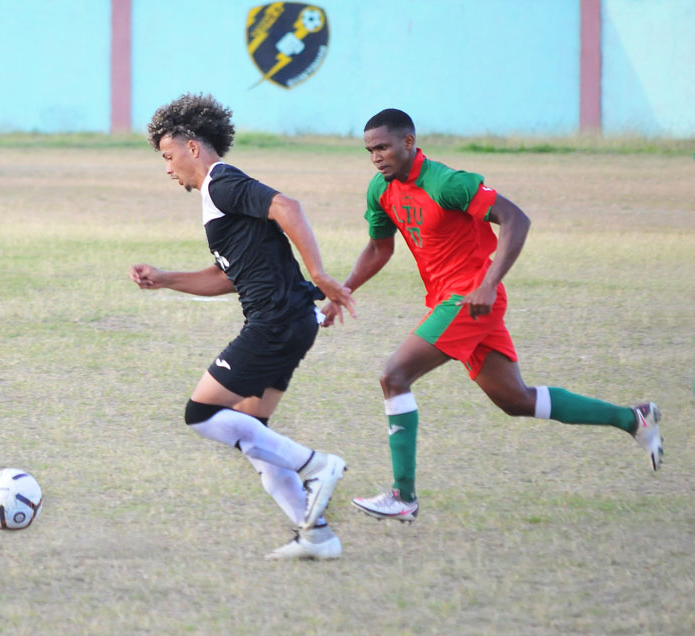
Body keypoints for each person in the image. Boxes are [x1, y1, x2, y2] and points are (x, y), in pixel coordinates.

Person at [343, 108, 664, 522]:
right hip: (449, 301)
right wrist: (343, 290)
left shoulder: (447, 182)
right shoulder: (381, 189)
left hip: (470, 300)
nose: (375, 157)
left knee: (394, 376)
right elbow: (378, 249)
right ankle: (633, 419)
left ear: (408, 142)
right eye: (370, 150)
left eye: (383, 147)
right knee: (515, 399)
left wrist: (490, 283)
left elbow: (516, 219)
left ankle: (403, 496)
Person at [131, 93, 357, 560]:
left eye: (168, 156)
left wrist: (319, 274)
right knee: (254, 433)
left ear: (193, 147)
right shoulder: (216, 197)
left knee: (201, 414)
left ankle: (316, 466)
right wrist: (165, 279)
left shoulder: (222, 183)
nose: (167, 168)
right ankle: (316, 536)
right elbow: (228, 277)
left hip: (276, 320)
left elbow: (288, 207)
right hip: (290, 319)